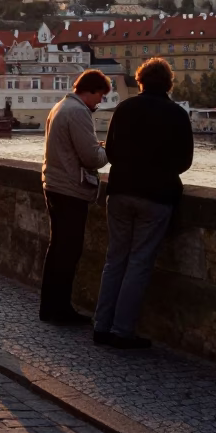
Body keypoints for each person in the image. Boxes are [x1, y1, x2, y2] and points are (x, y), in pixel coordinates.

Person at [94, 58, 193, 349]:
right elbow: (184, 161)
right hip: (156, 195)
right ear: (168, 84)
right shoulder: (176, 114)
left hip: (121, 190)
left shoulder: (124, 109)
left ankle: (101, 326)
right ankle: (122, 331)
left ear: (140, 82)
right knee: (138, 262)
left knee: (115, 260)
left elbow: (109, 150)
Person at [40, 69, 112, 324]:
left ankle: (49, 306)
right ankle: (60, 309)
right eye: (100, 96)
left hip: (54, 184)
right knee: (68, 251)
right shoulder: (79, 112)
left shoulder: (60, 106)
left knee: (57, 248)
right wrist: (109, 149)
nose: (100, 102)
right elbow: (91, 157)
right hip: (70, 189)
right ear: (90, 90)